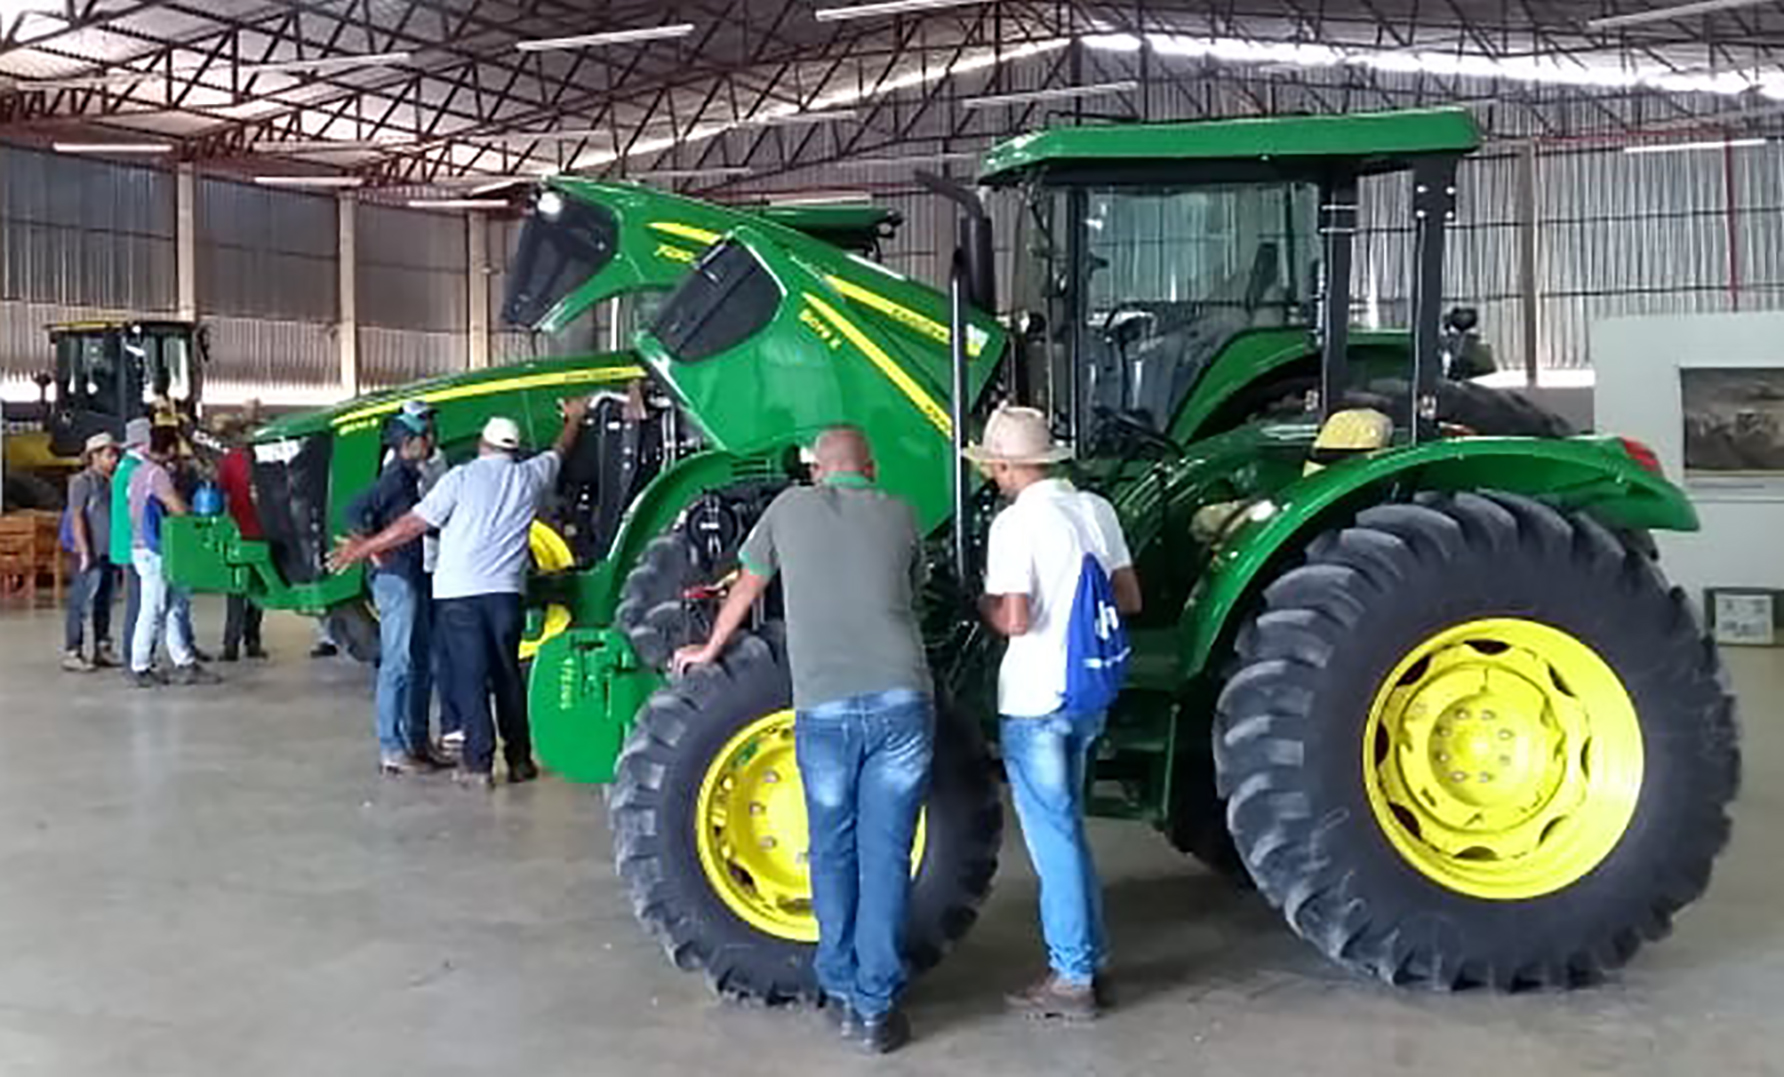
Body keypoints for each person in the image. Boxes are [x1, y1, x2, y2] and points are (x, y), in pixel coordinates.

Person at [672, 427, 931, 1055]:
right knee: (886, 855)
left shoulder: (786, 509)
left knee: (832, 851)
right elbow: (913, 592)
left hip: (826, 706)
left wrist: (709, 648)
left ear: (816, 470)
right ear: (868, 468)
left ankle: (841, 991)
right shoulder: (901, 512)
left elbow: (748, 585)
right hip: (902, 699)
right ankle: (876, 1009)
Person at [969, 404, 1141, 1023]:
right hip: (1088, 694)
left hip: (1035, 698)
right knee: (1069, 829)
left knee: (1054, 837)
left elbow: (1015, 618)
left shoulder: (1016, 525)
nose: (993, 476)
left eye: (995, 467)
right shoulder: (1096, 509)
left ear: (1012, 466)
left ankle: (1072, 978)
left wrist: (980, 604)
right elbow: (1129, 597)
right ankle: (1089, 959)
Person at [330, 402, 590, 788]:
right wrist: (574, 419)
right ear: (513, 450)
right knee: (507, 676)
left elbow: (410, 526)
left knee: (470, 677)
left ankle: (478, 765)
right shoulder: (530, 476)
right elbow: (559, 451)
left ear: (484, 444)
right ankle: (520, 760)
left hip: (460, 597)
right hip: (506, 595)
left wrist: (361, 550)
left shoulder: (460, 478)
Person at [346, 409, 446, 775]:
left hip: (414, 575)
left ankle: (417, 743)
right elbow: (354, 510)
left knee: (421, 661)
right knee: (399, 664)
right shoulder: (393, 479)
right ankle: (392, 747)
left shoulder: (411, 476)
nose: (432, 440)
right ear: (408, 444)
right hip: (397, 580)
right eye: (427, 435)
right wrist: (373, 553)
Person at [128, 425, 222, 688]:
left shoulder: (138, 472)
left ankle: (184, 661)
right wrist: (199, 516)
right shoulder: (156, 474)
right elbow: (176, 507)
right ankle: (141, 666)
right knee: (154, 608)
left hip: (143, 548)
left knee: (172, 606)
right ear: (169, 448)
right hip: (154, 550)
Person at [62, 432, 122, 672]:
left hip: (109, 553)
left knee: (104, 602)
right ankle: (73, 651)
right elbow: (77, 516)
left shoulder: (112, 482)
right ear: (94, 456)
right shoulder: (82, 482)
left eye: (115, 455)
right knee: (81, 602)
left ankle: (102, 647)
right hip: (89, 553)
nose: (114, 460)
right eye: (109, 455)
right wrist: (85, 551)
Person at [216, 415, 267, 661]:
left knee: (242, 590)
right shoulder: (266, 460)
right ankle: (248, 642)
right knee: (252, 589)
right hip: (254, 532)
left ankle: (234, 644)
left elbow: (221, 496)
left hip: (248, 533)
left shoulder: (231, 460)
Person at [111, 417, 152, 668]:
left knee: (138, 602)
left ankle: (133, 654)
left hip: (127, 544)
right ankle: (132, 655)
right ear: (144, 444)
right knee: (139, 604)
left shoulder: (123, 468)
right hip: (136, 545)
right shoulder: (135, 471)